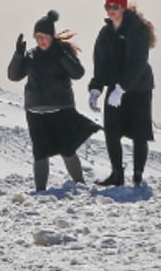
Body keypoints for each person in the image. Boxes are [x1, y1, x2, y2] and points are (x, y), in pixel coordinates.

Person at [8, 10, 101, 191]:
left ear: (51, 36)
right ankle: (40, 191)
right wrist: (18, 55)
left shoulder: (62, 52)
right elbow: (14, 76)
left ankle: (80, 185)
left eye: (43, 36)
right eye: (37, 37)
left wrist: (61, 55)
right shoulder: (32, 55)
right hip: (35, 111)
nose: (40, 40)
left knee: (67, 150)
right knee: (40, 154)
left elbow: (77, 73)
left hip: (60, 110)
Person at [87, 0, 157, 187]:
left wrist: (122, 88)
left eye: (115, 7)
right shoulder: (106, 32)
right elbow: (100, 63)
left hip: (139, 87)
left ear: (123, 7)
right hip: (115, 87)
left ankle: (137, 174)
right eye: (108, 7)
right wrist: (96, 88)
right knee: (111, 131)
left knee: (139, 133)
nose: (111, 11)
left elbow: (139, 62)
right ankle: (117, 174)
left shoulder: (137, 29)